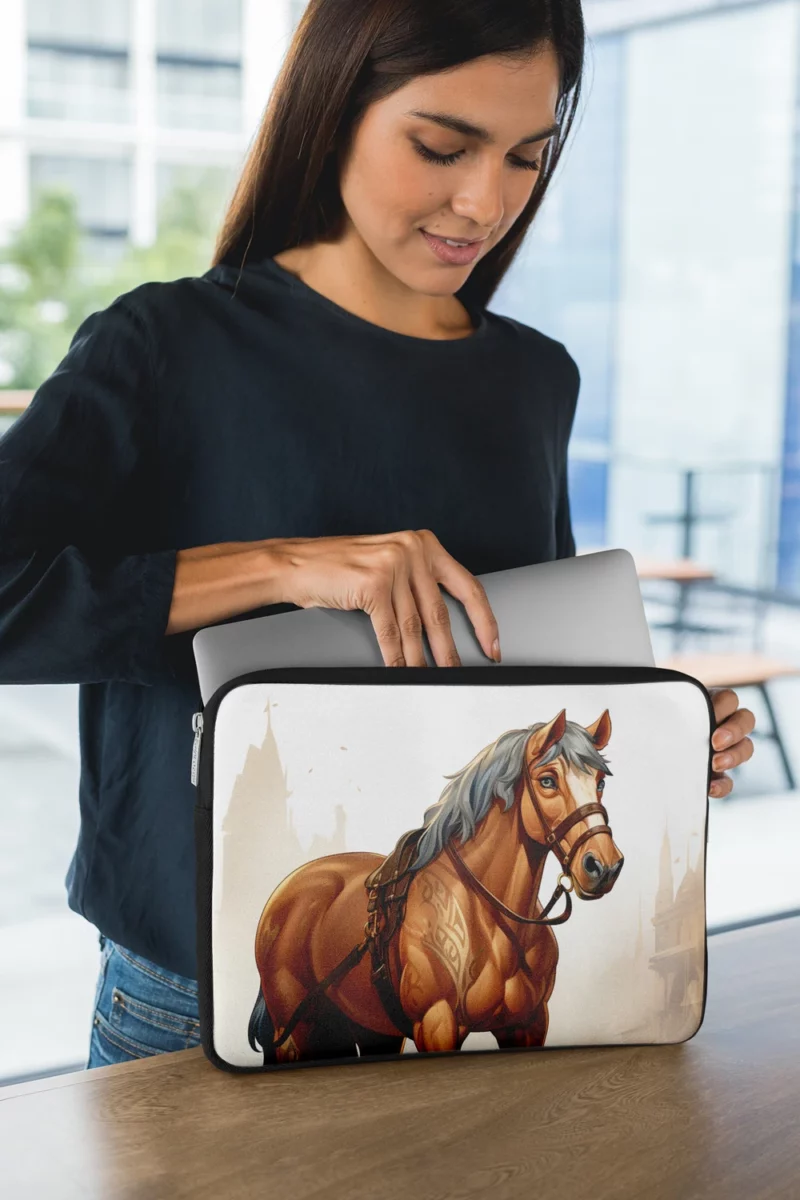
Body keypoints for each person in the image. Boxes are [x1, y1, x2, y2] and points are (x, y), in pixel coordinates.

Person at [0, 0, 755, 1070]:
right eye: (440, 147)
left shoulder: (535, 380)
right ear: (333, 107)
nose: (482, 201)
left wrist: (670, 729)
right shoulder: (163, 345)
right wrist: (288, 567)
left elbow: (520, 674)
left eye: (524, 158)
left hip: (470, 988)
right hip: (199, 993)